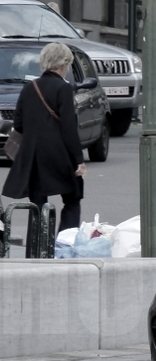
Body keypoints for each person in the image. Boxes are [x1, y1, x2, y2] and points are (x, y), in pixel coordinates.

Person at [2, 42, 86, 257]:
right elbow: (68, 128)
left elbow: (18, 124)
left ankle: (36, 250)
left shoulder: (30, 87)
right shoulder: (64, 88)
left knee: (37, 205)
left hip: (33, 157)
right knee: (72, 199)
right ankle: (63, 247)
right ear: (63, 64)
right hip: (59, 156)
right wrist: (79, 160)